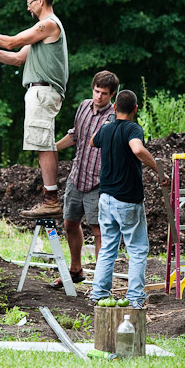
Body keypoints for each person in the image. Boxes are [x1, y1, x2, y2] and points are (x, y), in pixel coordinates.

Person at [0, 0, 68, 218]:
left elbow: (12, 42)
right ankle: (49, 197)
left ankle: (51, 199)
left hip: (43, 91)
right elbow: (17, 58)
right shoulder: (41, 33)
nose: (28, 8)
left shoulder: (48, 25)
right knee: (43, 144)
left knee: (43, 145)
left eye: (30, 3)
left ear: (41, 1)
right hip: (39, 92)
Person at [88, 89, 168, 309]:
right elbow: (137, 149)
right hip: (127, 200)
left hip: (105, 198)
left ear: (114, 108)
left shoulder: (106, 129)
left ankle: (98, 294)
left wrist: (109, 123)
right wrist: (159, 172)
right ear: (135, 109)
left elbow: (92, 142)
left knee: (108, 248)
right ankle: (134, 298)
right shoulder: (133, 128)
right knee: (137, 249)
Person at [50, 70, 120, 289]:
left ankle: (100, 282)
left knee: (98, 229)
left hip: (99, 182)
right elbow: (75, 135)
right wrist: (51, 148)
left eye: (105, 93)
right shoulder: (83, 106)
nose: (99, 96)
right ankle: (75, 270)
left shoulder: (114, 117)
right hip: (77, 175)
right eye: (97, 91)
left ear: (112, 95)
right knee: (70, 223)